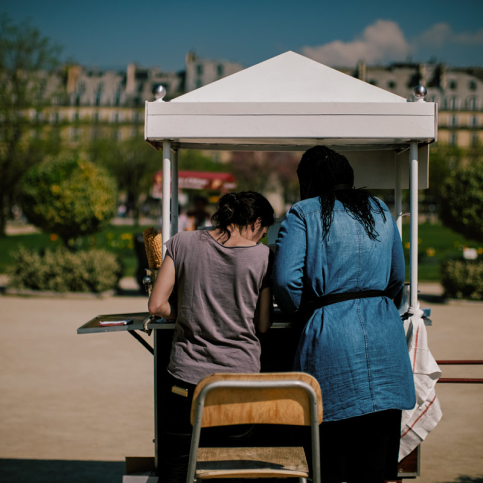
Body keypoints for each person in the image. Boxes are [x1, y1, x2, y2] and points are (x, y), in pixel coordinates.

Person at [271, 146, 416, 483]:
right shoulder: (380, 208)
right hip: (385, 339)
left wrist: (309, 312)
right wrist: (376, 306)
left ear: (307, 181)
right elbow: (397, 277)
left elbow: (284, 280)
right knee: (376, 464)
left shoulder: (304, 212)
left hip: (330, 340)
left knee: (329, 459)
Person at [148, 191, 275, 483]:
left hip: (185, 379)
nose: (262, 239)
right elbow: (264, 324)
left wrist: (187, 312)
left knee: (178, 466)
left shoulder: (182, 242)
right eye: (264, 232)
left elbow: (156, 305)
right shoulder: (263, 256)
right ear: (256, 222)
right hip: (239, 381)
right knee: (230, 469)